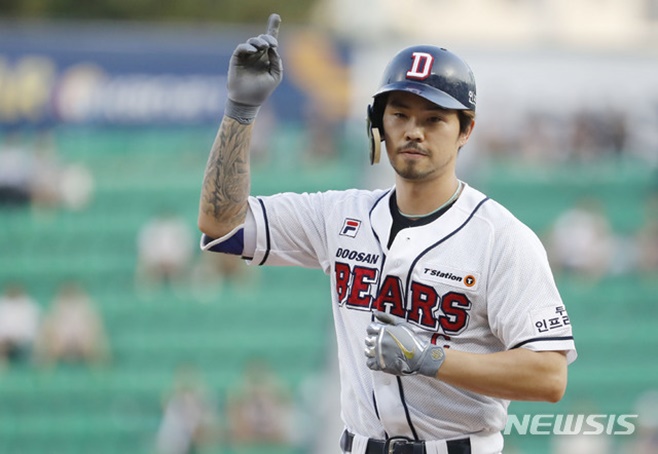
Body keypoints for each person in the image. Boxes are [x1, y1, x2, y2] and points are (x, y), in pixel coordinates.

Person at [197, 14, 577, 454]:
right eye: (400, 114)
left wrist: (429, 359)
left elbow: (549, 376)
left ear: (465, 130)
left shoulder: (502, 238)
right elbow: (222, 223)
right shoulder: (339, 214)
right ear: (379, 123)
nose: (413, 131)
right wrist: (241, 111)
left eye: (434, 118)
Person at [35, 281, 111, 368]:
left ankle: (98, 369)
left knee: (92, 338)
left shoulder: (85, 305)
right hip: (62, 339)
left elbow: (95, 324)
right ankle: (46, 369)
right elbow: (50, 325)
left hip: (82, 338)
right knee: (51, 337)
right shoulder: (57, 305)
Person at [0, 282, 41, 368]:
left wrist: (17, 338)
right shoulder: (2, 304)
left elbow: (33, 328)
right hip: (5, 341)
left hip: (24, 341)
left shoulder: (29, 306)